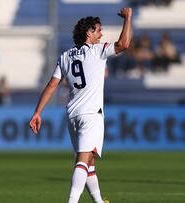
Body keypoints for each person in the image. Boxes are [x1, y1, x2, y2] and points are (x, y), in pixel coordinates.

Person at [29, 8, 132, 203]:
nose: (101, 34)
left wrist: (37, 112)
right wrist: (128, 18)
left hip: (73, 115)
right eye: (98, 30)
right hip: (91, 114)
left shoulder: (65, 56)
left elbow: (52, 85)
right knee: (82, 162)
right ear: (89, 33)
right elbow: (124, 44)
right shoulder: (98, 51)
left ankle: (99, 202)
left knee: (89, 163)